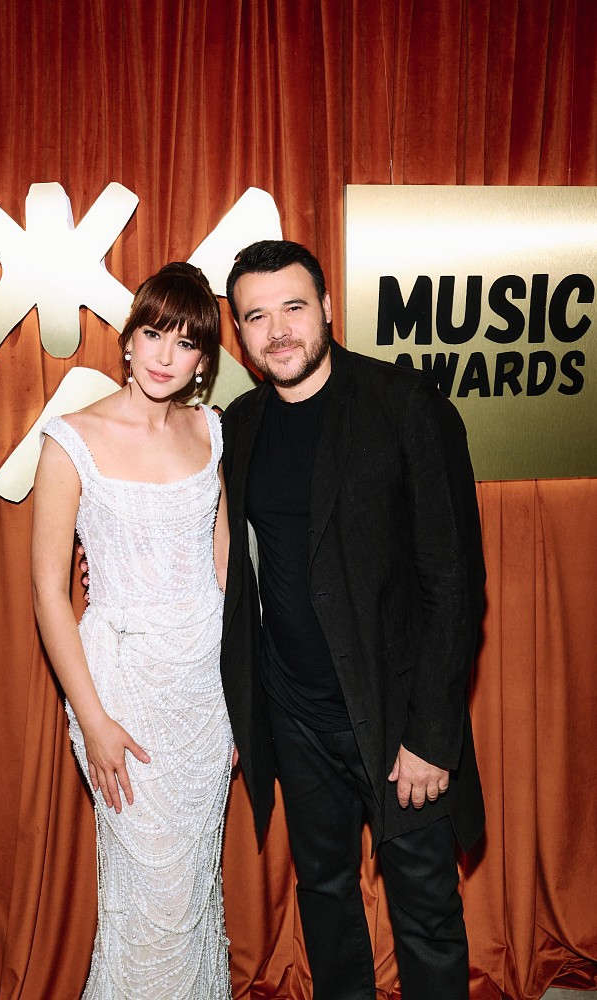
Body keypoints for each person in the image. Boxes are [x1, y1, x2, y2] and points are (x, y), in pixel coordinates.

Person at [219, 240, 486, 1000]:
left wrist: (431, 735)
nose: (278, 331)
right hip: (294, 715)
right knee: (325, 897)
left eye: (293, 307)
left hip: (396, 715)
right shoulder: (241, 424)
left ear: (328, 308)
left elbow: (455, 583)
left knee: (425, 911)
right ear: (239, 332)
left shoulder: (404, 405)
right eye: (256, 316)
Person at [31, 263, 234, 1000]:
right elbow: (49, 591)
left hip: (204, 695)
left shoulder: (210, 431)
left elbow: (225, 574)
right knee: (151, 889)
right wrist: (92, 718)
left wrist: (240, 700)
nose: (163, 356)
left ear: (203, 360)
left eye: (184, 343)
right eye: (153, 333)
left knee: (192, 886)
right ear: (128, 339)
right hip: (120, 690)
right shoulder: (72, 440)